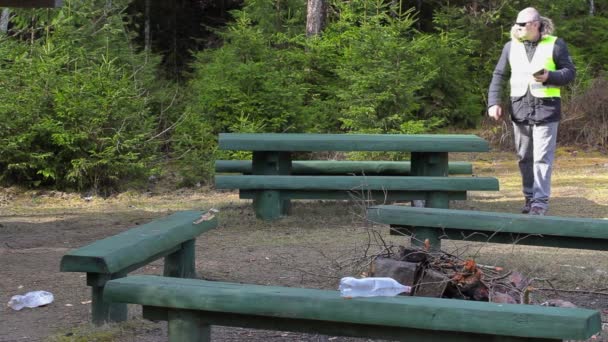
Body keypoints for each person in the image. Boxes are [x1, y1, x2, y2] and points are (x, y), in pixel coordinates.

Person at [487, 7, 576, 216]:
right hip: (519, 109)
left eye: (522, 24)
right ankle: (529, 198)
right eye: (516, 24)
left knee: (542, 158)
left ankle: (539, 203)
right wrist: (493, 103)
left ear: (535, 25)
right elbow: (499, 75)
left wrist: (550, 77)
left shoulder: (555, 44)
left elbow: (570, 73)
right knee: (524, 157)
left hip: (547, 110)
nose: (516, 27)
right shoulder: (510, 46)